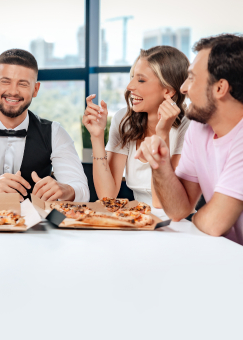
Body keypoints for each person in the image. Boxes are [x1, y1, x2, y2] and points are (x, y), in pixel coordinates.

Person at [136, 34, 243, 244]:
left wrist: (202, 218)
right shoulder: (199, 128)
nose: (183, 88)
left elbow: (214, 224)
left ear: (220, 88)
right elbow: (178, 210)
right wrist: (159, 165)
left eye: (192, 78)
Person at [0, 49, 89, 202]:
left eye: (23, 84)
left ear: (35, 89)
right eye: (5, 81)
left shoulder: (55, 133)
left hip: (37, 225)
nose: (13, 91)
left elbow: (82, 190)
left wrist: (66, 190)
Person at [83, 46, 190, 217]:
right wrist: (97, 136)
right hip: (139, 220)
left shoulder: (189, 127)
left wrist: (162, 134)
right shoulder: (124, 120)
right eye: (132, 77)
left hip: (177, 223)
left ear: (168, 91)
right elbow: (107, 196)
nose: (130, 86)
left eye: (141, 80)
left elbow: (161, 204)